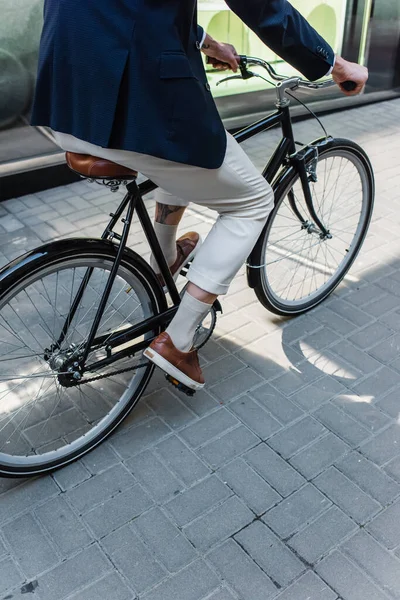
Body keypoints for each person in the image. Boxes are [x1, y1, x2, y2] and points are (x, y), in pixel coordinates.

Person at [31, 0, 368, 392]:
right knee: (253, 201)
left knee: (183, 161)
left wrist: (210, 44)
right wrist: (333, 64)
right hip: (137, 105)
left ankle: (163, 262)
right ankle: (178, 341)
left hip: (67, 101)